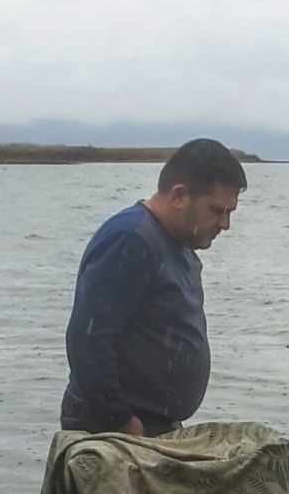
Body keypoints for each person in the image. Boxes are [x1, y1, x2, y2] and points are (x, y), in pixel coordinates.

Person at [60, 138, 247, 436]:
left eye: (230, 213)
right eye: (217, 211)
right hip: (113, 429)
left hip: (153, 424)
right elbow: (88, 337)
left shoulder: (180, 242)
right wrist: (118, 420)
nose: (225, 224)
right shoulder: (131, 239)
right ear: (179, 196)